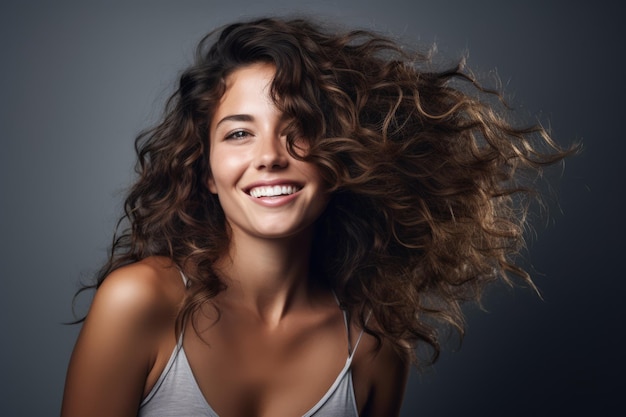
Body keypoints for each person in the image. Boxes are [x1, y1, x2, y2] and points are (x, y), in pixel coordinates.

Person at [61, 16, 574, 417]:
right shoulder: (140, 302)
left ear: (341, 159)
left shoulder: (372, 343)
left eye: (300, 127)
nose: (269, 155)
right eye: (239, 132)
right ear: (206, 172)